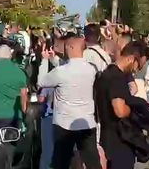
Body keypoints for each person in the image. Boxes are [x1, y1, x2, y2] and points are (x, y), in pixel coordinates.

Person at [37, 37, 101, 169]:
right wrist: (54, 60)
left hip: (64, 124)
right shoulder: (92, 69)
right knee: (92, 161)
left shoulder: (61, 72)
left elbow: (41, 81)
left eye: (66, 47)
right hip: (87, 121)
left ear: (71, 48)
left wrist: (44, 60)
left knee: (61, 162)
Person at [96, 41, 148, 169]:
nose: (136, 71)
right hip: (120, 139)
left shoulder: (105, 73)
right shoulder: (117, 78)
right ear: (131, 59)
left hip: (107, 135)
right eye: (137, 66)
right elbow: (119, 110)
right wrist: (134, 109)